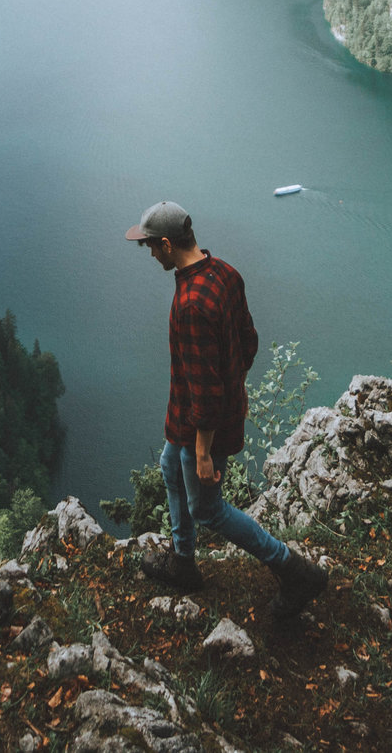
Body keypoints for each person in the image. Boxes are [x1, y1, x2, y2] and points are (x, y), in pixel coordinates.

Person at [125, 200, 331, 621]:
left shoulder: (191, 305)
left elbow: (203, 388)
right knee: (169, 467)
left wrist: (202, 452)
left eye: (150, 246)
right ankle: (183, 561)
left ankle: (293, 570)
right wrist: (234, 387)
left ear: (166, 245)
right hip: (203, 413)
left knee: (208, 509)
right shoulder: (223, 273)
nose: (148, 253)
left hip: (204, 422)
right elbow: (248, 342)